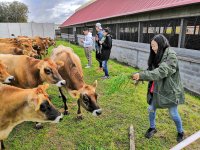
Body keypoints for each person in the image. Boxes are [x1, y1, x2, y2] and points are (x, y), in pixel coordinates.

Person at [132, 34, 185, 143]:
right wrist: (140, 77)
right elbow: (151, 70)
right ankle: (152, 127)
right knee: (151, 109)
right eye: (151, 46)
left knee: (174, 114)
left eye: (154, 46)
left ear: (161, 45)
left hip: (170, 90)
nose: (153, 48)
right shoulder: (156, 54)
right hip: (155, 88)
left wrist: (141, 75)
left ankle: (180, 131)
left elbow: (162, 72)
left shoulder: (171, 55)